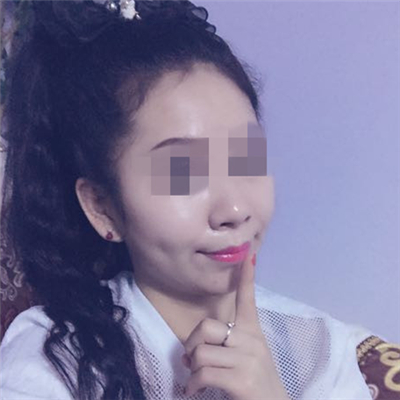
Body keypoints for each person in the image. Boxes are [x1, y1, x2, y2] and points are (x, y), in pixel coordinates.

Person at [0, 1, 398, 400]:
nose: (235, 211)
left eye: (248, 158)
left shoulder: (320, 349)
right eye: (183, 172)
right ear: (103, 208)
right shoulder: (56, 353)